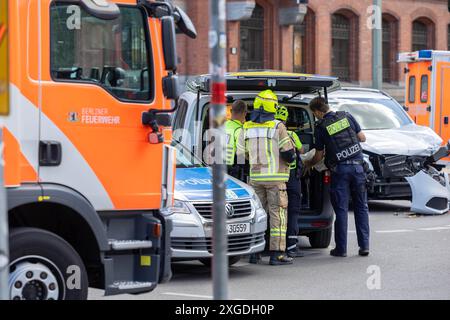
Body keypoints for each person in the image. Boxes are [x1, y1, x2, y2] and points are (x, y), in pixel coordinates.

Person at [237, 90, 296, 265]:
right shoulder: (278, 126)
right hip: (276, 180)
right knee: (277, 215)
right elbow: (289, 154)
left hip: (255, 179)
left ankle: (255, 253)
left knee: (258, 215)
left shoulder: (246, 127)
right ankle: (277, 254)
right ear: (273, 106)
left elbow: (241, 155)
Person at [305, 97, 370, 257]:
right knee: (361, 208)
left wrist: (308, 164)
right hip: (358, 167)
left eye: (314, 114)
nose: (316, 117)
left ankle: (341, 249)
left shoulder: (321, 127)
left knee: (341, 210)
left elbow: (319, 156)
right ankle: (364, 247)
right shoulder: (346, 116)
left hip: (340, 170)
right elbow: (362, 138)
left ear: (319, 111)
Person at [275, 106, 304, 258]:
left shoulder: (270, 134)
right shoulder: (291, 134)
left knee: (277, 213)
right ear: (286, 119)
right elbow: (301, 151)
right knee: (293, 211)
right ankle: (292, 247)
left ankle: (274, 247)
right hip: (291, 177)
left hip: (275, 177)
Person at [225, 100, 248, 180]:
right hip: (232, 170)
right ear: (245, 113)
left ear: (231, 111)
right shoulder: (239, 130)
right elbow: (241, 154)